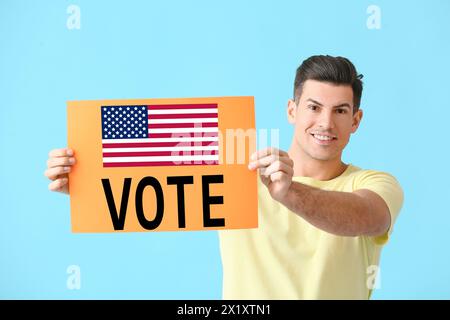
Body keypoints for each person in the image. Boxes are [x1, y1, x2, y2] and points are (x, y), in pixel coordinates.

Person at [45, 55, 403, 300]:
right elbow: (155, 189)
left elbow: (368, 217)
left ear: (355, 121)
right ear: (292, 110)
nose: (326, 123)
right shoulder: (237, 172)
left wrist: (290, 194)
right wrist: (85, 183)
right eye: (313, 107)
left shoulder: (374, 183)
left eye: (340, 111)